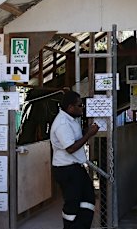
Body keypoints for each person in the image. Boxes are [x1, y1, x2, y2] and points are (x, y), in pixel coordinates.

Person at [50, 90, 99, 229]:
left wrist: (85, 132)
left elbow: (74, 138)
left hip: (75, 167)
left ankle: (81, 226)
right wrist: (89, 134)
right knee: (72, 203)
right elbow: (70, 148)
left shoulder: (70, 120)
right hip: (66, 168)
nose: (82, 107)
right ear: (71, 107)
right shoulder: (62, 124)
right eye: (80, 105)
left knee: (88, 197)